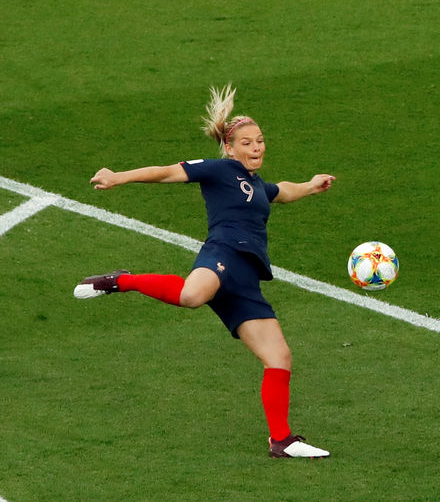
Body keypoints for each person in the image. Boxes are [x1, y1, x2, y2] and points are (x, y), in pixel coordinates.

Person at [74, 85, 335, 458]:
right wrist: (119, 176)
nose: (257, 147)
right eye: (247, 143)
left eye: (260, 141)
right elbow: (166, 173)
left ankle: (282, 441)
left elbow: (284, 192)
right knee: (192, 295)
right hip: (223, 252)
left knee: (279, 357)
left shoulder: (258, 185)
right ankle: (121, 281)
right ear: (230, 148)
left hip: (246, 278)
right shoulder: (219, 169)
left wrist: (311, 186)